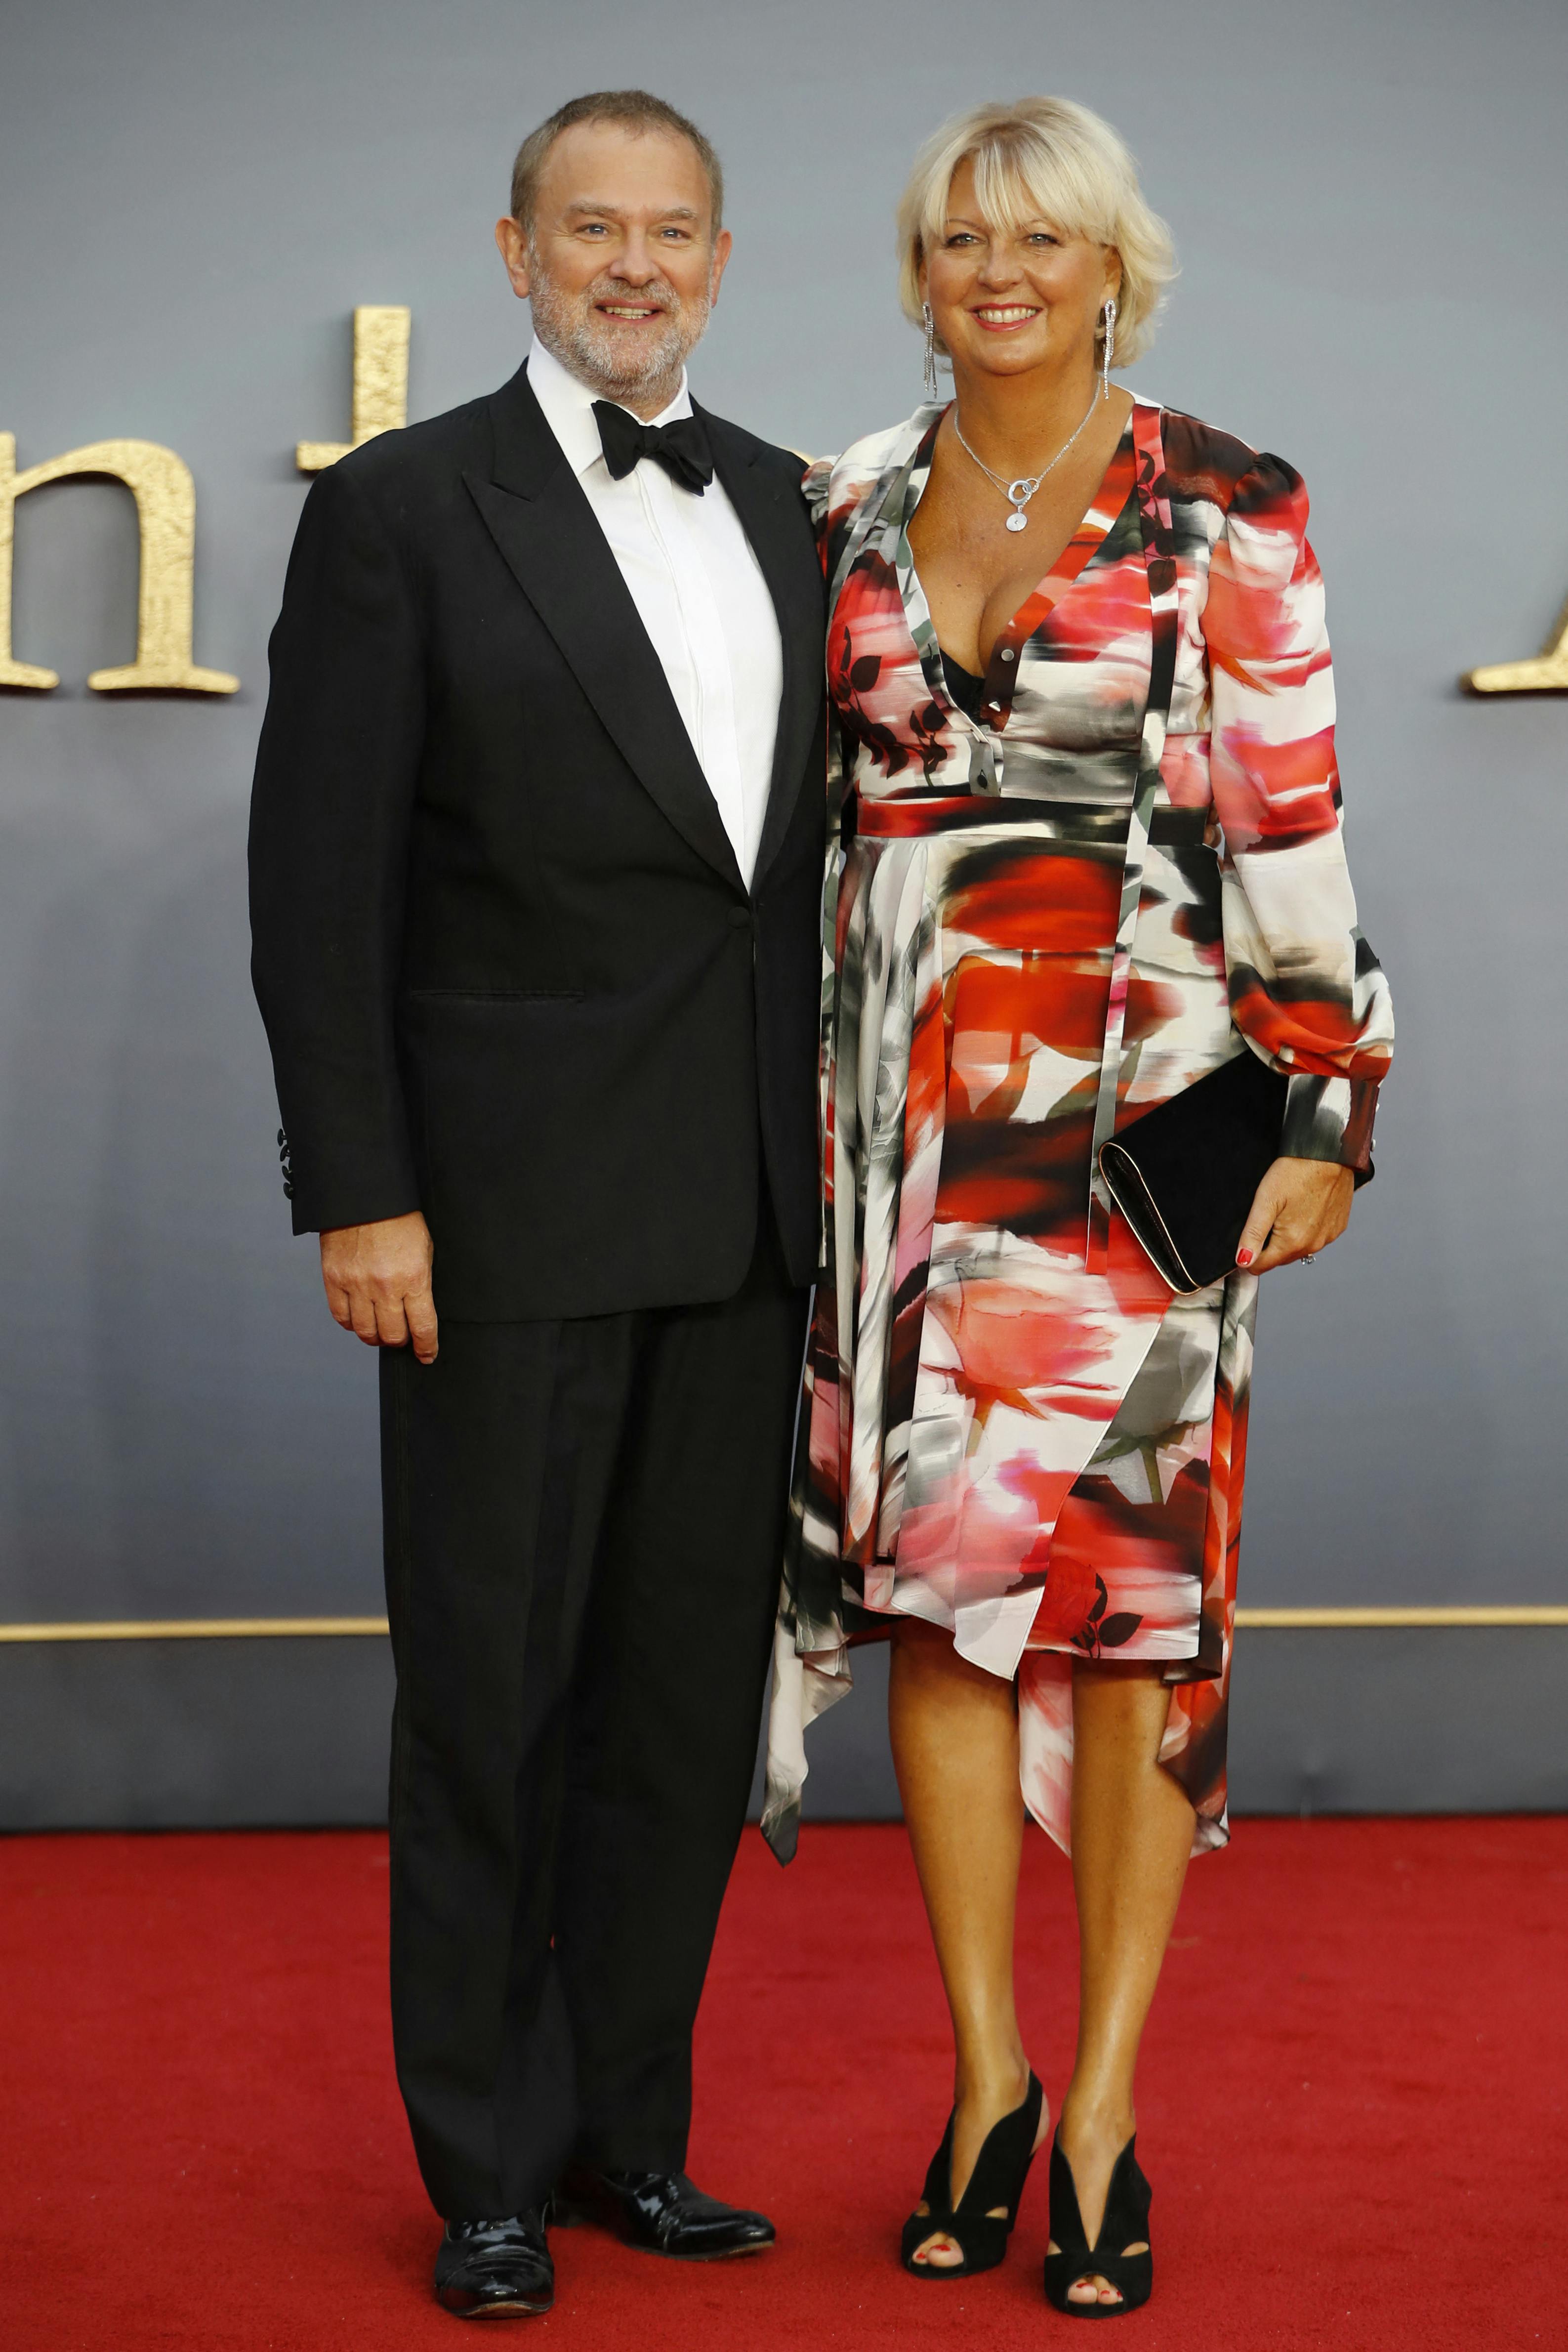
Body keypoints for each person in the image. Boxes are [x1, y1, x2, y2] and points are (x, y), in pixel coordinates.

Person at [765, 95, 1394, 2317]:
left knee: (1127, 1626)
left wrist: (1323, 1110)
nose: (999, 272)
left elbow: (1288, 815)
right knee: (941, 1611)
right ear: (917, 271)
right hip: (900, 1138)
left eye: (1039, 236)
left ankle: (1106, 2108)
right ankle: (985, 2082)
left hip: (1140, 1132)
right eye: (960, 237)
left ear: (1113, 263)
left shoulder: (1225, 500)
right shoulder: (842, 501)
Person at [248, 89, 826, 2321]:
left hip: (747, 1220)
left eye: (673, 231)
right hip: (494, 1228)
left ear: (719, 259)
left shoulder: (792, 504)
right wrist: (361, 1192)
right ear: (515, 252)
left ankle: (625, 2138)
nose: (635, 264)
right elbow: (319, 884)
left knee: (676, 1711)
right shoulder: (403, 508)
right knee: (490, 1705)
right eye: (593, 227)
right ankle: (485, 2167)